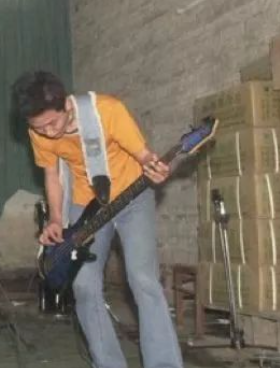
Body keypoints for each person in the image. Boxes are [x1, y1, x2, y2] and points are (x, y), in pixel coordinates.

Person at [12, 71, 183, 368]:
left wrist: (155, 168)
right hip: (86, 205)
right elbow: (52, 175)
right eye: (39, 128)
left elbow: (145, 156)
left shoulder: (108, 110)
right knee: (84, 286)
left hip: (132, 196)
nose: (48, 133)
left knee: (143, 280)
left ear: (66, 104)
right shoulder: (38, 132)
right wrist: (55, 219)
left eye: (52, 123)